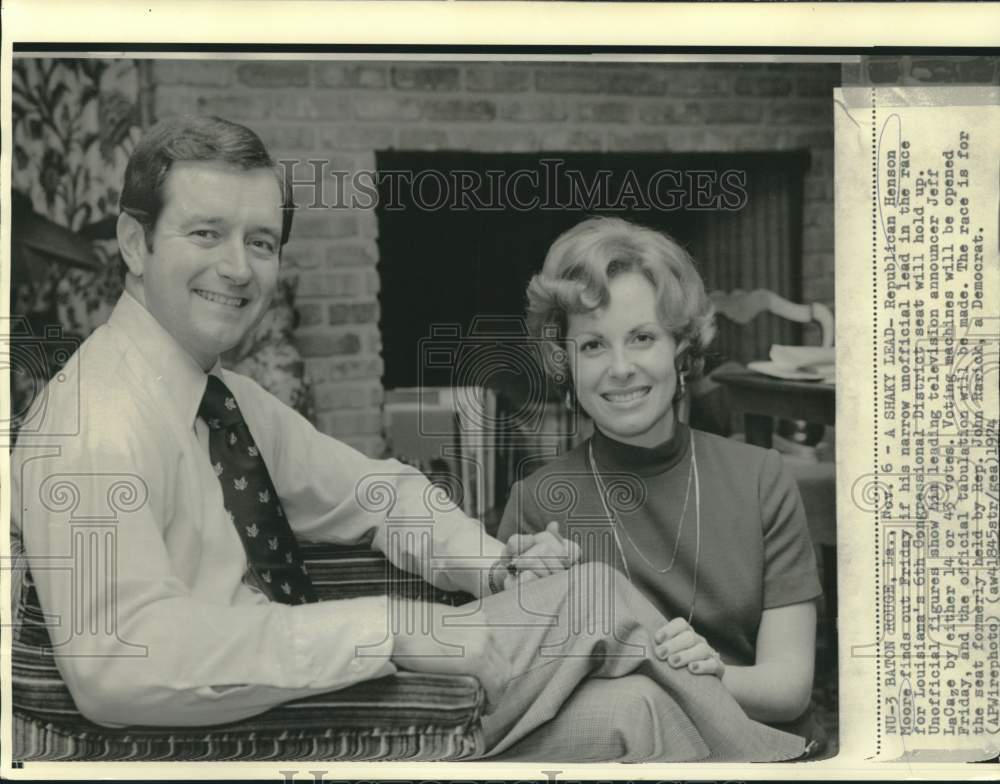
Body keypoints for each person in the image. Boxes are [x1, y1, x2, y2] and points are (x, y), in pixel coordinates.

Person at [11, 117, 808, 762]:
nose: (239, 268)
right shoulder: (95, 422)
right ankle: (782, 765)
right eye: (206, 233)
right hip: (257, 736)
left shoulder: (225, 402)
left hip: (318, 696)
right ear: (135, 242)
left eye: (260, 241)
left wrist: (492, 565)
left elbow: (378, 493)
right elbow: (123, 661)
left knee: (636, 713)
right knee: (592, 595)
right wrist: (395, 629)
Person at [497, 216, 824, 743]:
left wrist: (713, 676)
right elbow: (524, 699)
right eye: (593, 345)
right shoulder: (536, 503)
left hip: (759, 747)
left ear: (681, 347)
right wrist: (530, 602)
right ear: (566, 363)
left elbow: (789, 689)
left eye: (642, 337)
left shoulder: (761, 478)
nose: (620, 368)